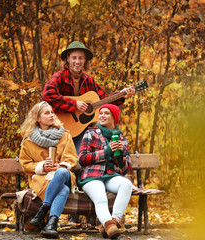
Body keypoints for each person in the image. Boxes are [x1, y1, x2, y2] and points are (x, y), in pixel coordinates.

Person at [42, 41, 135, 154]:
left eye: (81, 58)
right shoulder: (59, 77)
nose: (77, 61)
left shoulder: (88, 79)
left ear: (85, 60)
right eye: (74, 58)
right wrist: (75, 104)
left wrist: (122, 94)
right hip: (59, 129)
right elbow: (48, 95)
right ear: (68, 59)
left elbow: (104, 100)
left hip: (82, 132)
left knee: (81, 161)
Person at [19, 101, 78, 239]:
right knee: (62, 190)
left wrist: (61, 165)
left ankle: (43, 210)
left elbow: (72, 159)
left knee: (62, 172)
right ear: (37, 118)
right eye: (47, 113)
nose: (52, 115)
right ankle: (51, 225)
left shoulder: (65, 135)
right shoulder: (28, 141)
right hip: (41, 178)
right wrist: (41, 167)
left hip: (65, 174)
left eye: (52, 112)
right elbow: (26, 164)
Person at [77, 104, 133, 239]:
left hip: (110, 176)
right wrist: (106, 151)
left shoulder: (122, 139)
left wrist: (120, 154)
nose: (102, 116)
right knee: (101, 198)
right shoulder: (91, 133)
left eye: (106, 113)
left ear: (114, 118)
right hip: (91, 176)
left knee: (126, 184)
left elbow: (125, 170)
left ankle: (112, 223)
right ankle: (110, 226)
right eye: (100, 113)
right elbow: (82, 159)